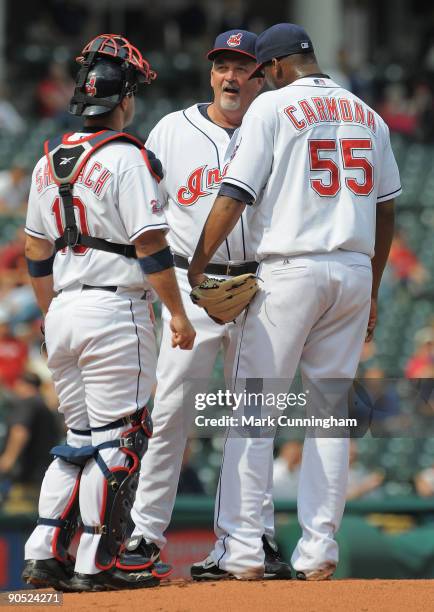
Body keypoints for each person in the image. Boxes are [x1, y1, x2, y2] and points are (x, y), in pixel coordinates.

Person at [188, 23, 401, 580]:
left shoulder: (273, 107)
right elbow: (386, 210)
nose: (259, 77)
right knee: (330, 416)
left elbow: (235, 194)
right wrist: (373, 287)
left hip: (291, 269)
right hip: (353, 270)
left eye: (262, 69)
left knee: (254, 411)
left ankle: (241, 553)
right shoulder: (368, 114)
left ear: (276, 67)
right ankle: (318, 552)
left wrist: (198, 261)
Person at [21, 34, 195, 593]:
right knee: (119, 439)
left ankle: (43, 552)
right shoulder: (128, 156)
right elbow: (150, 245)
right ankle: (97, 563)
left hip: (64, 310)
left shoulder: (46, 161)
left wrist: (51, 318)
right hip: (115, 310)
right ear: (124, 102)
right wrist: (178, 313)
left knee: (76, 439)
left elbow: (33, 252)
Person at [118, 30, 291, 581]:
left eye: (244, 67)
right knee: (170, 413)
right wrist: (156, 289)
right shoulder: (172, 130)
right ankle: (144, 534)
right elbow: (142, 212)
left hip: (260, 288)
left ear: (261, 76)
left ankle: (251, 537)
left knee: (255, 415)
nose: (232, 77)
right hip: (192, 291)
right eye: (223, 66)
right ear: (211, 72)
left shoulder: (278, 130)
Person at [0, 372, 61, 512]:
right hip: (43, 477)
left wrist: (8, 459)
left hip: (26, 480)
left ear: (23, 385)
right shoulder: (44, 407)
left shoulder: (27, 403)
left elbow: (20, 431)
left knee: (17, 520)